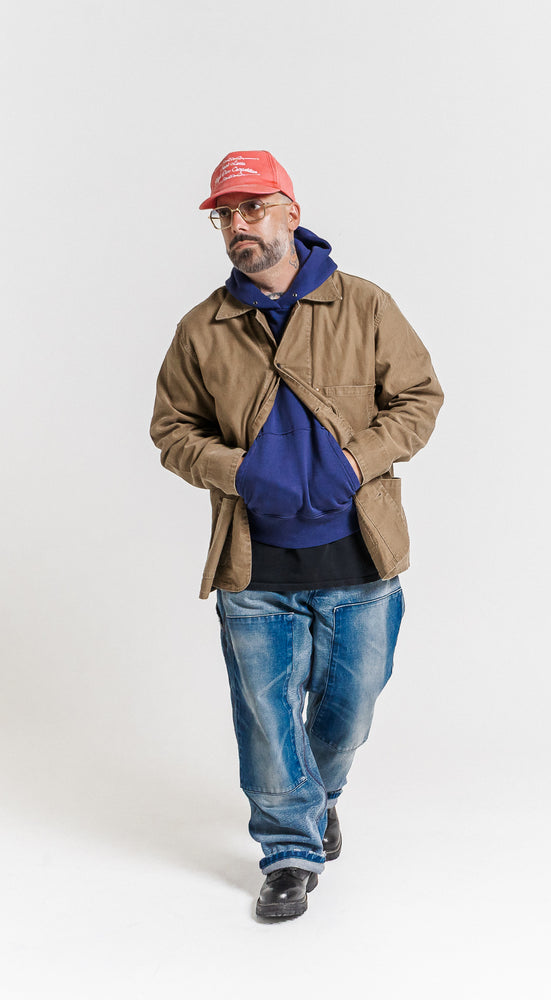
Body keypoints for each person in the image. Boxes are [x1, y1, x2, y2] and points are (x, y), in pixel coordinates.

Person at [150, 151, 443, 919]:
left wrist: (358, 458)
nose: (237, 227)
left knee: (350, 710)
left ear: (291, 213)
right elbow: (171, 431)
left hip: (360, 561)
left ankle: (320, 795)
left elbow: (418, 399)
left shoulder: (365, 306)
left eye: (252, 209)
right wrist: (237, 471)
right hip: (256, 571)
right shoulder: (202, 329)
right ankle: (288, 849)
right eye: (225, 216)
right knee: (266, 717)